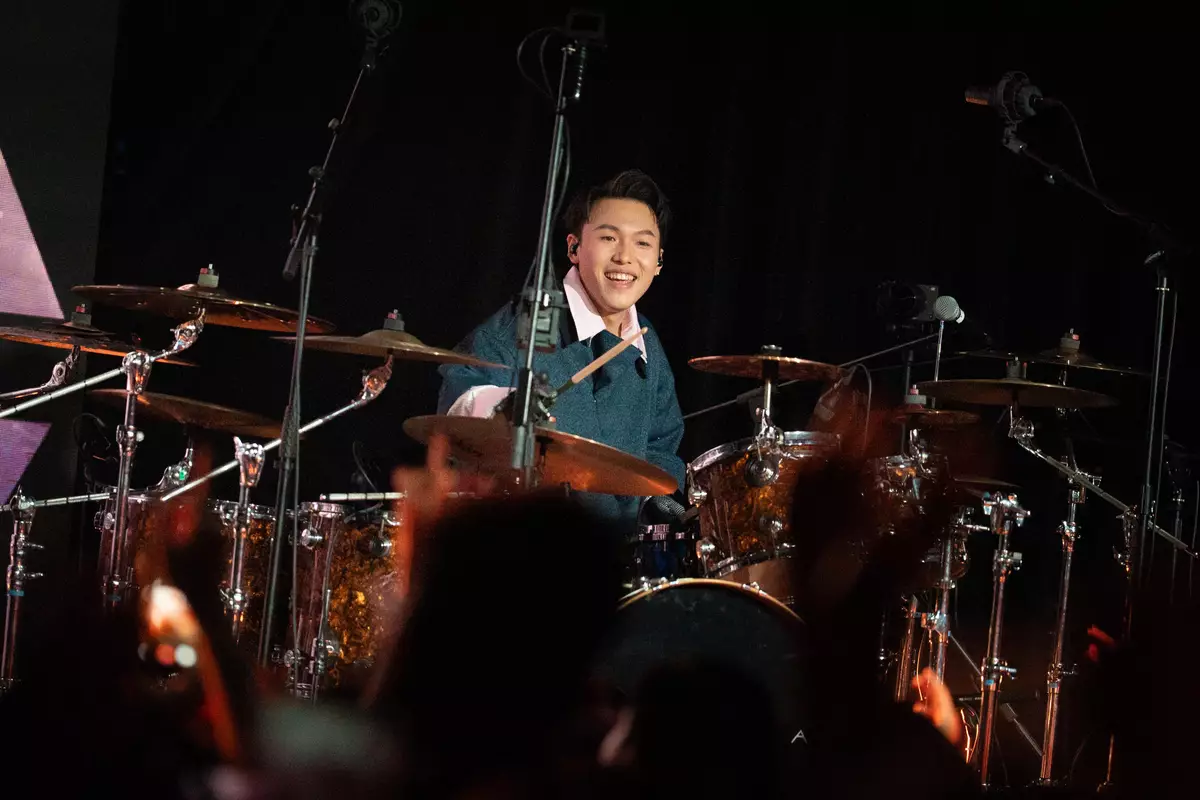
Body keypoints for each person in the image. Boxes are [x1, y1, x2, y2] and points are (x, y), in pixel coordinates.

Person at [437, 169, 685, 529]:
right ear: (574, 248)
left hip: (617, 553)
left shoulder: (648, 343)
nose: (624, 257)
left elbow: (661, 445)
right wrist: (507, 408)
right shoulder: (523, 327)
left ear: (659, 261)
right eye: (608, 238)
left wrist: (658, 505)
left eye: (642, 244)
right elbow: (461, 399)